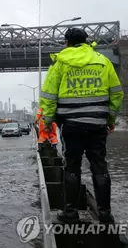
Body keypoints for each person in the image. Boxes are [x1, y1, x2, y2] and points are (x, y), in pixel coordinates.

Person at [39, 28, 124, 223]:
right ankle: (105, 214)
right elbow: (117, 94)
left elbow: (49, 96)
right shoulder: (103, 62)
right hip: (97, 125)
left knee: (72, 168)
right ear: (87, 42)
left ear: (67, 42)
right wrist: (109, 120)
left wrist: (48, 121)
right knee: (100, 167)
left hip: (71, 126)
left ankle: (70, 213)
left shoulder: (60, 63)